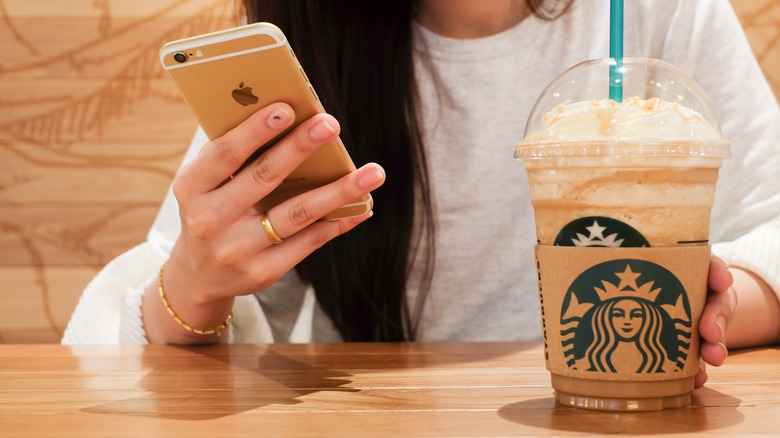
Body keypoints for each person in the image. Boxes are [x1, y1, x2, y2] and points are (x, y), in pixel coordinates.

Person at [63, 0, 780, 388]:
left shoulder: (658, 12)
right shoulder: (303, 40)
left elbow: (772, 226)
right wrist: (191, 288)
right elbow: (145, 325)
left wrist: (714, 301)